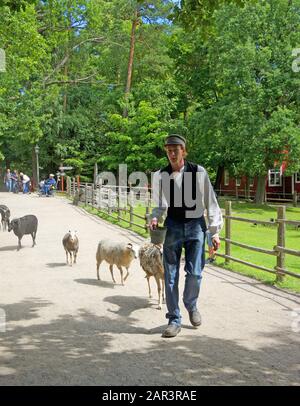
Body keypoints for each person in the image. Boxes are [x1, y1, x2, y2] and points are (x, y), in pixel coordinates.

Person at [149, 134, 223, 338]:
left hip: (195, 226)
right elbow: (159, 205)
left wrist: (215, 232)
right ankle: (174, 318)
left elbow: (211, 203)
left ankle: (191, 304)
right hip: (172, 226)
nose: (172, 153)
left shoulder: (198, 172)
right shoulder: (159, 176)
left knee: (195, 273)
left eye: (176, 149)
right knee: (170, 275)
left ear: (184, 151)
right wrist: (154, 218)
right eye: (168, 150)